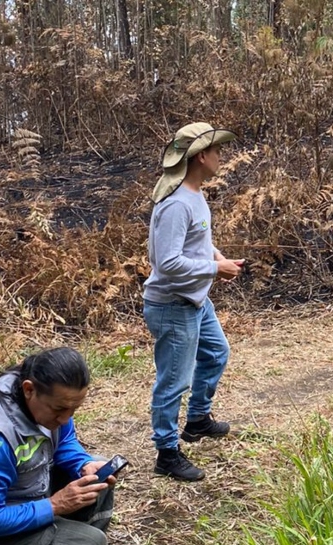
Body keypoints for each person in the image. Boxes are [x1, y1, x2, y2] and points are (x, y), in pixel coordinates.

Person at [0, 347, 116, 545]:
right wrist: (55, 505)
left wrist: (81, 463)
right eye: (60, 409)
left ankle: (67, 532)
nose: (66, 419)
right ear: (29, 390)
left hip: (18, 499)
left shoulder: (46, 401)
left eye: (74, 409)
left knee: (96, 474)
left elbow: (64, 441)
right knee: (88, 541)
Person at [144, 122, 245, 481]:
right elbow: (166, 262)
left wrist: (216, 256)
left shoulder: (195, 194)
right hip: (172, 305)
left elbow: (195, 243)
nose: (221, 157)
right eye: (217, 151)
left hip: (195, 300)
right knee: (173, 381)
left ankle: (198, 420)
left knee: (217, 353)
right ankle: (166, 453)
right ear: (201, 156)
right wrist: (216, 269)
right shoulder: (175, 204)